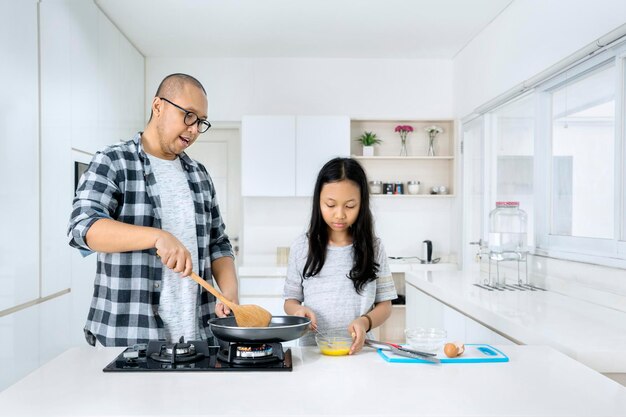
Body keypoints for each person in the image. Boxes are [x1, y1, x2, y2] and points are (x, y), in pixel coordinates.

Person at [68, 73, 238, 347]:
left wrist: (228, 293)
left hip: (199, 339)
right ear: (158, 106)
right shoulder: (113, 161)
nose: (194, 129)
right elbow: (83, 228)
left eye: (201, 121)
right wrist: (157, 236)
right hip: (130, 340)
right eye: (189, 115)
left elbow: (218, 243)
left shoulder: (199, 175)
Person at [283, 157, 397, 354]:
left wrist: (365, 322)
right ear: (318, 201)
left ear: (362, 204)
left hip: (360, 352)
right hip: (313, 353)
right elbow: (290, 301)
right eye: (330, 204)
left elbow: (385, 305)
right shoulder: (302, 247)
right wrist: (298, 312)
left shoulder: (374, 247)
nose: (339, 214)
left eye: (350, 206)